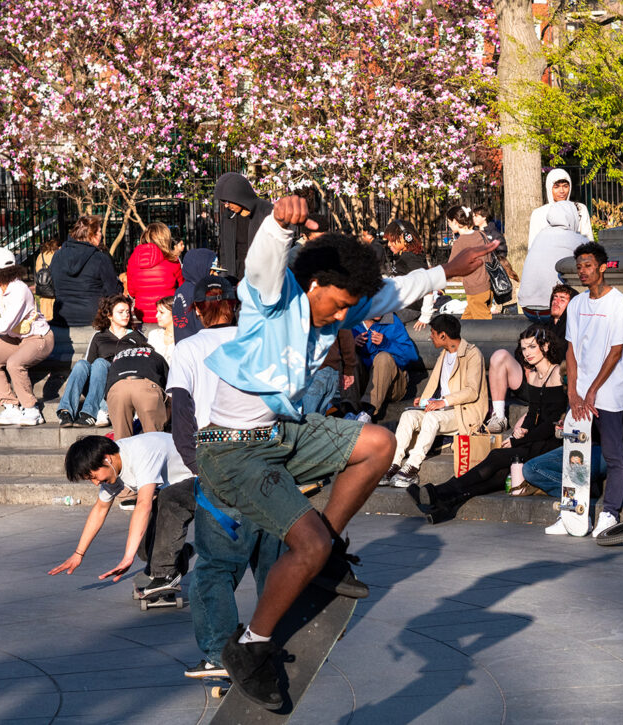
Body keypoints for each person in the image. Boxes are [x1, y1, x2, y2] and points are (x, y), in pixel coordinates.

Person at [193, 196, 494, 707]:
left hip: (281, 432)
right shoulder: (273, 300)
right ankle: (250, 648)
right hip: (231, 451)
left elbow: (396, 289)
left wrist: (447, 269)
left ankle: (327, 553)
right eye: (335, 304)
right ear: (313, 285)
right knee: (302, 547)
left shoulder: (345, 304)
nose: (342, 316)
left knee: (380, 442)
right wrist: (279, 226)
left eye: (350, 308)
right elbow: (262, 267)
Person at [165, 277, 285, 680]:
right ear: (236, 305)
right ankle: (276, 641)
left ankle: (219, 653)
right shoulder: (261, 342)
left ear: (197, 310)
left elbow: (180, 413)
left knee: (215, 566)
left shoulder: (188, 348)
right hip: (267, 458)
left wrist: (198, 466)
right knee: (271, 561)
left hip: (219, 458)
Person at [413, 324, 566, 521]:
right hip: (535, 439)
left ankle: (441, 491)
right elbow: (532, 414)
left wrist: (518, 441)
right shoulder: (535, 376)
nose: (527, 353)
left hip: (552, 443)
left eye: (532, 347)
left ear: (545, 347)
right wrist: (519, 432)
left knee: (495, 457)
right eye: (524, 348)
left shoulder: (557, 374)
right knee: (500, 475)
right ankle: (448, 505)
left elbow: (552, 422)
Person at [550, 242, 623, 538]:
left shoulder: (619, 304)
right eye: (579, 267)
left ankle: (610, 512)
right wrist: (572, 392)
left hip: (609, 392)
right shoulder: (576, 304)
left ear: (602, 267)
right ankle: (573, 513)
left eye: (588, 266)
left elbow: (615, 352)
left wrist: (592, 391)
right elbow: (572, 350)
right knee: (575, 452)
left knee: (613, 455)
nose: (582, 272)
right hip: (582, 391)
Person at [48, 432, 197, 594]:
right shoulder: (111, 468)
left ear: (107, 458)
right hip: (172, 488)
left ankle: (165, 575)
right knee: (145, 549)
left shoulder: (142, 452)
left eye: (93, 476)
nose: (96, 482)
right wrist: (79, 553)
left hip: (202, 479)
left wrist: (127, 558)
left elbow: (143, 504)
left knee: (168, 499)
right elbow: (100, 509)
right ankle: (180, 554)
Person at [384, 314, 488, 488]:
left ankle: (412, 468)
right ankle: (393, 464)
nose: (430, 337)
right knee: (409, 415)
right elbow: (437, 386)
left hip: (463, 412)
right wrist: (425, 401)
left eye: (432, 333)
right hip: (442, 410)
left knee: (432, 418)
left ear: (443, 335)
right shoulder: (444, 354)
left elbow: (471, 391)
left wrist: (443, 402)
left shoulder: (472, 354)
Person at [0, 247, 54, 426]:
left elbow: (3, 326)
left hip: (39, 338)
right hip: (16, 337)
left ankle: (31, 409)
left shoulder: (19, 290)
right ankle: (11, 407)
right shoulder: (1, 288)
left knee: (14, 363)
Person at [485, 284, 577, 433]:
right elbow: (519, 351)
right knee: (499, 356)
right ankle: (499, 416)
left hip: (552, 391)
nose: (556, 301)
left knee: (519, 432)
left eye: (562, 299)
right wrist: (527, 367)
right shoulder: (540, 326)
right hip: (530, 382)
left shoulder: (572, 331)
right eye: (554, 298)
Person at [55, 294, 135, 427]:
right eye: (120, 312)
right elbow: (88, 364)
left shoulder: (135, 337)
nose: (125, 315)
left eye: (127, 312)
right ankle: (66, 411)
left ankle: (89, 413)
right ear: (109, 315)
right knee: (82, 364)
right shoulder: (99, 337)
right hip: (96, 385)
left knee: (100, 363)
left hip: (118, 385)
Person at [518, 201, 590, 318]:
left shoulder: (540, 235)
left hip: (528, 309)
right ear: (573, 217)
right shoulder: (577, 239)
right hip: (552, 311)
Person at [49, 216, 122, 327]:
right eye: (99, 232)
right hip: (94, 318)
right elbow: (113, 292)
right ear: (92, 235)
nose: (101, 236)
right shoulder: (100, 258)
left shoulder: (57, 255)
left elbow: (53, 284)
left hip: (62, 317)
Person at [104, 322, 168, 440]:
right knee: (154, 438)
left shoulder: (118, 356)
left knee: (122, 440)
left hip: (117, 388)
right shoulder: (154, 354)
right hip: (145, 387)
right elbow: (168, 387)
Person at [351, 313, 419, 423]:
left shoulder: (392, 321)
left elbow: (411, 357)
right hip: (364, 382)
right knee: (351, 357)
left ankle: (368, 412)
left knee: (383, 357)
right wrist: (350, 345)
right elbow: (335, 354)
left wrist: (386, 344)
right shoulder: (352, 321)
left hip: (393, 386)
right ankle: (350, 411)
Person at [214, 172, 273, 280]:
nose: (226, 205)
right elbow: (224, 249)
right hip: (234, 278)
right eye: (223, 202)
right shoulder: (228, 216)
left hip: (261, 279)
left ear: (238, 195)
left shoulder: (267, 212)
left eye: (228, 201)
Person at [126, 222, 184, 324]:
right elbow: (182, 289)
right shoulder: (172, 261)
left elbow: (131, 292)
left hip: (142, 315)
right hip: (168, 314)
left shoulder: (133, 260)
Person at [382, 219, 433, 328]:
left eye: (392, 240)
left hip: (409, 309)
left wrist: (425, 315)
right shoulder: (406, 256)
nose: (389, 244)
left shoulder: (410, 258)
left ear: (405, 238)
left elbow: (428, 286)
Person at [446, 205, 492, 320]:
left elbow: (450, 269)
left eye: (449, 222)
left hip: (475, 289)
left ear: (456, 222)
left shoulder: (460, 243)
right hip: (487, 286)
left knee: (485, 327)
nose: (449, 225)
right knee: (466, 323)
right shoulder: (481, 235)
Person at [528, 169, 593, 248]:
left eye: (565, 186)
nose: (561, 191)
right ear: (549, 188)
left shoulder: (580, 209)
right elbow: (533, 245)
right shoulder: (538, 214)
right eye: (556, 187)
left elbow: (588, 240)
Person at [300, 329, 356, 416]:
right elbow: (346, 335)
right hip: (331, 372)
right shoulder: (339, 316)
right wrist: (348, 370)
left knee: (306, 421)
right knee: (317, 422)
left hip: (313, 370)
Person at [172, 247, 219, 343]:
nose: (216, 275)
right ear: (200, 268)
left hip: (185, 345)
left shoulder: (181, 290)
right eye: (212, 271)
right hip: (199, 347)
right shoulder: (199, 293)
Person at [34, 237, 60, 321]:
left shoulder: (40, 255)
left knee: (45, 315)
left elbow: (37, 270)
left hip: (43, 290)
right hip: (54, 290)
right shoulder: (58, 253)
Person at [146, 296, 176, 361]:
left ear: (174, 313)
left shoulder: (185, 338)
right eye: (157, 312)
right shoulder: (154, 335)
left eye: (161, 312)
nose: (156, 316)